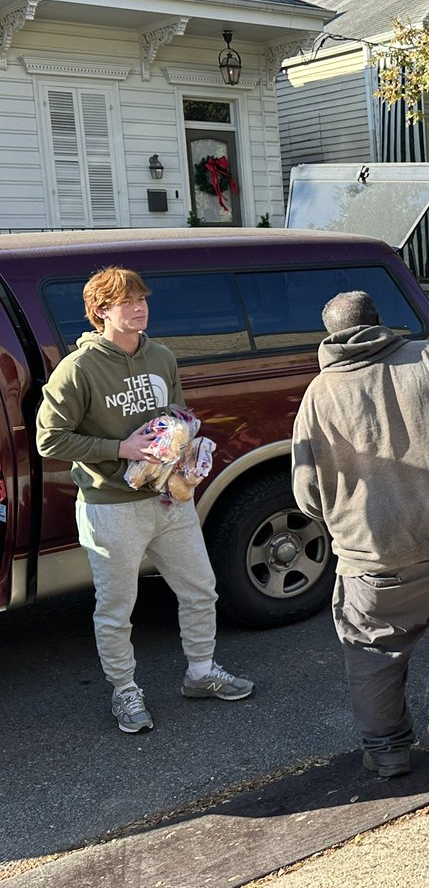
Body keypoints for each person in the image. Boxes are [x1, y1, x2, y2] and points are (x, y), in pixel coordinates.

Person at [292, 291, 429, 776]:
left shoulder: (319, 394)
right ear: (380, 322)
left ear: (331, 336)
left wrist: (339, 525)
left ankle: (388, 751)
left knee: (372, 650)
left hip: (373, 558)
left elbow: (306, 493)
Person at [35, 267, 253, 735]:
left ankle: (201, 673)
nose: (139, 308)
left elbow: (175, 415)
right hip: (110, 506)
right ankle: (125, 690)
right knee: (117, 609)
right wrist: (122, 448)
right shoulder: (78, 369)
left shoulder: (161, 356)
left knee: (200, 589)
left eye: (142, 300)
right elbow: (49, 439)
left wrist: (187, 448)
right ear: (100, 311)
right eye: (127, 302)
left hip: (170, 500)